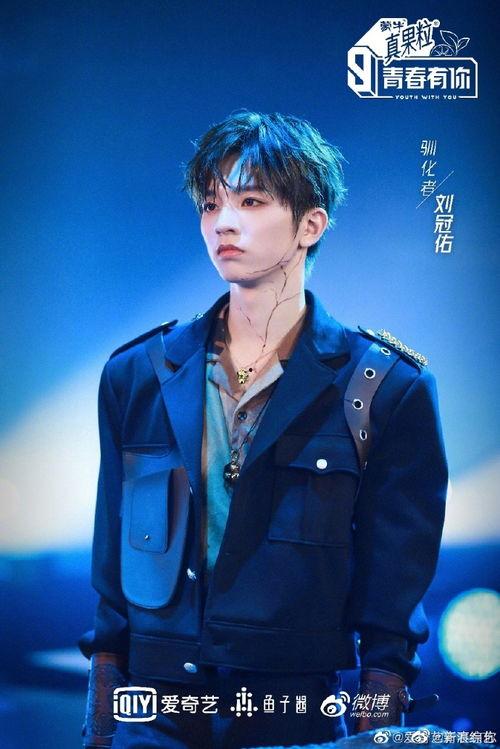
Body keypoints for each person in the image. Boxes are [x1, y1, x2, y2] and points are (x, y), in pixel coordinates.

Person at [79, 111, 448, 749]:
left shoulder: (385, 386)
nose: (223, 222)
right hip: (154, 710)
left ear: (311, 224)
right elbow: (112, 575)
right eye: (210, 203)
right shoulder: (137, 374)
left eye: (250, 201)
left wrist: (378, 728)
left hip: (294, 712)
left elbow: (392, 602)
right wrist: (102, 729)